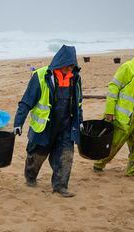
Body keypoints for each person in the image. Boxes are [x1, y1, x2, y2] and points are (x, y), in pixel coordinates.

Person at [13, 45, 83, 197]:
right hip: (44, 126)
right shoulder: (40, 76)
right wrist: (18, 123)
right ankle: (30, 177)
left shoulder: (75, 78)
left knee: (66, 156)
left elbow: (78, 103)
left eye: (72, 66)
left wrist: (80, 122)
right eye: (67, 65)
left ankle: (60, 187)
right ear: (60, 61)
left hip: (66, 125)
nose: (69, 69)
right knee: (37, 157)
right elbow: (26, 102)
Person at [93, 40, 134, 178]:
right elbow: (113, 87)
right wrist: (109, 111)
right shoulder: (129, 67)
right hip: (125, 115)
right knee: (115, 143)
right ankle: (99, 164)